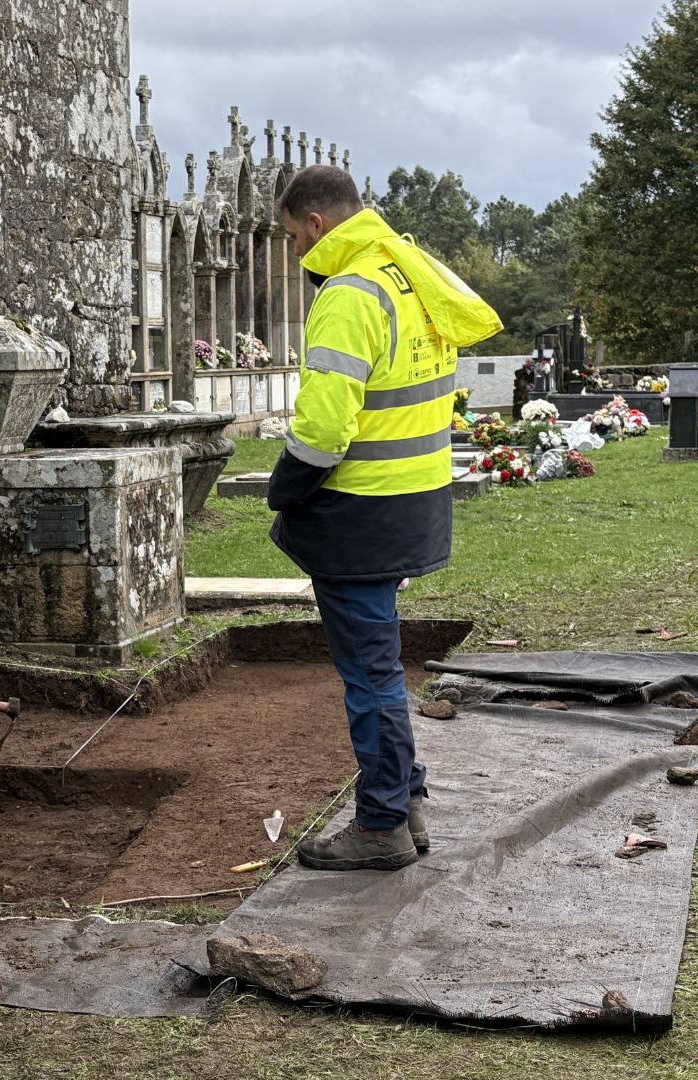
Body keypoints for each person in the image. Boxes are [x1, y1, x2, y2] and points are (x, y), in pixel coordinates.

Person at [269, 166, 503, 872]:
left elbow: (323, 429)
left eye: (291, 238)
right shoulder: (409, 277)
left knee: (370, 675)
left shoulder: (349, 294)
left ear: (315, 224)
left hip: (361, 509)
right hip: (415, 497)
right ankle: (407, 800)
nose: (296, 254)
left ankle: (381, 825)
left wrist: (285, 490)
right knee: (381, 664)